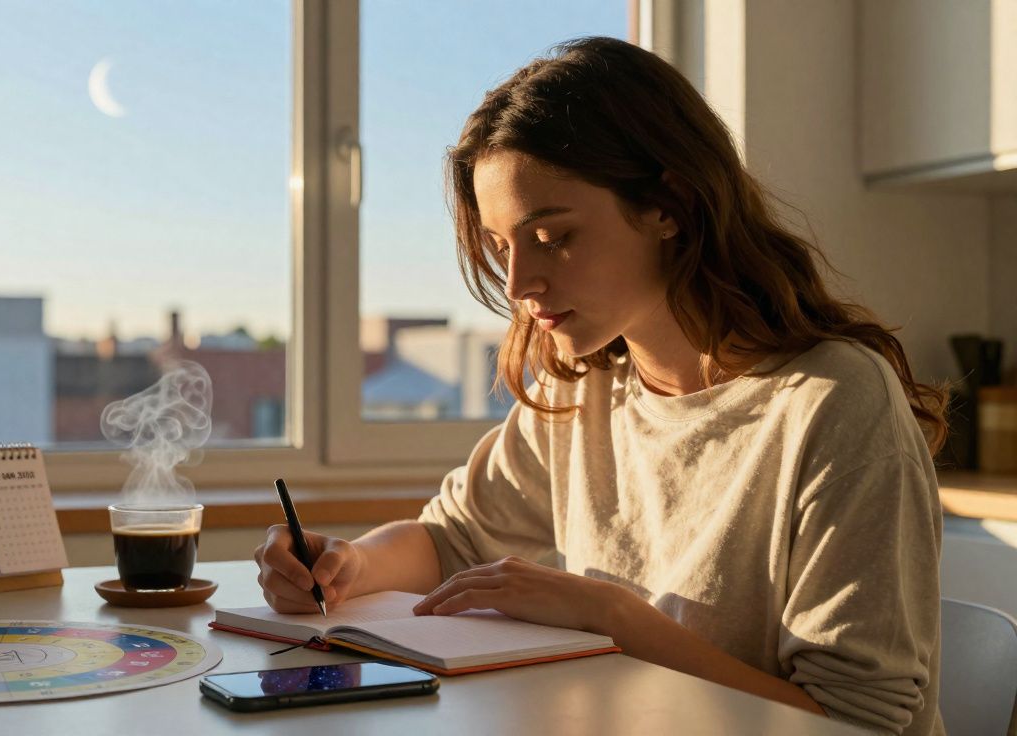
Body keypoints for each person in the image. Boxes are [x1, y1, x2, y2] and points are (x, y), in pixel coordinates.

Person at [254, 36, 946, 735]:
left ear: (668, 206)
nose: (520, 284)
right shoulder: (584, 389)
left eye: (552, 236)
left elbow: (853, 722)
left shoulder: (832, 403)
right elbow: (454, 541)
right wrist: (348, 563)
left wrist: (609, 615)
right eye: (502, 247)